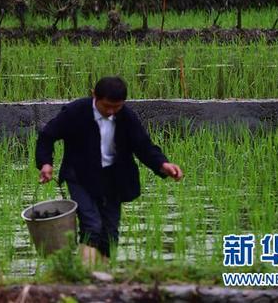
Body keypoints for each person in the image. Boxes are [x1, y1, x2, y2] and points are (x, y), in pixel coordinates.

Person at [36, 76, 184, 266]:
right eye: (106, 106)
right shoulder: (76, 112)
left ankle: (101, 277)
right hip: (80, 176)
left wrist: (163, 165)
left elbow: (143, 146)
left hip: (113, 179)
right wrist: (46, 163)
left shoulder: (126, 117)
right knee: (92, 226)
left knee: (110, 233)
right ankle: (84, 275)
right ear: (94, 96)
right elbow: (47, 135)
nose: (111, 111)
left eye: (117, 107)